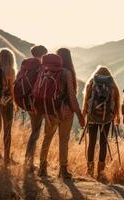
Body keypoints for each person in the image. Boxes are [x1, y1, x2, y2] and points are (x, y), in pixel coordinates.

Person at [38, 48, 85, 179]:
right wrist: (79, 114)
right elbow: (71, 96)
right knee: (63, 140)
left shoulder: (46, 71)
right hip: (65, 112)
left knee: (47, 137)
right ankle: (63, 170)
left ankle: (42, 168)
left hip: (49, 110)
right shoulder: (67, 73)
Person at [82, 66, 120, 179]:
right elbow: (116, 101)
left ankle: (89, 171)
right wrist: (117, 116)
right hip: (106, 118)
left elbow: (86, 102)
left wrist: (83, 115)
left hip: (92, 117)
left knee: (92, 143)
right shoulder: (112, 85)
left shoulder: (92, 83)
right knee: (103, 143)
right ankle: (100, 173)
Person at [0, 48, 17, 166]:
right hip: (6, 103)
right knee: (7, 130)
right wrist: (16, 103)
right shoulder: (10, 71)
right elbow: (12, 91)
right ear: (11, 59)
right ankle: (6, 159)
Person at [24, 45, 48, 171]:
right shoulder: (38, 68)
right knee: (35, 133)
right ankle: (28, 162)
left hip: (27, 104)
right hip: (35, 105)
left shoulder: (27, 66)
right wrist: (34, 104)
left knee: (34, 132)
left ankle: (29, 161)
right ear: (42, 54)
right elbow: (36, 88)